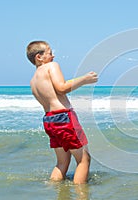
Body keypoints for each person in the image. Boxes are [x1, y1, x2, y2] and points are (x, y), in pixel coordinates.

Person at [26, 41, 98, 184]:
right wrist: (84, 79)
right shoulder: (51, 66)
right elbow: (61, 88)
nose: (53, 55)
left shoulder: (33, 80)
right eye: (50, 52)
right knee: (84, 160)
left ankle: (56, 191)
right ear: (39, 57)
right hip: (64, 118)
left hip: (49, 120)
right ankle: (81, 194)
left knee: (62, 163)